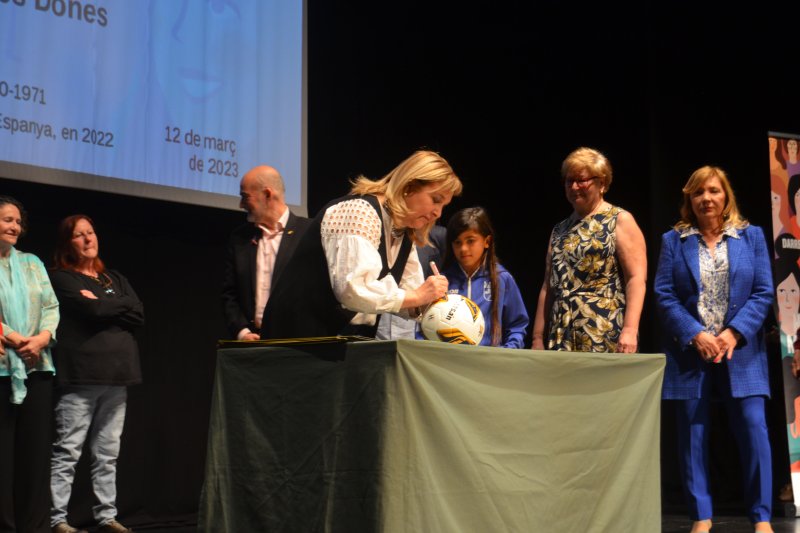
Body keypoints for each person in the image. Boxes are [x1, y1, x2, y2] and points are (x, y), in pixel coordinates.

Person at [653, 166, 774, 533]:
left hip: (742, 351)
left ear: (726, 196)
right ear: (689, 199)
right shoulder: (674, 240)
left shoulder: (751, 236)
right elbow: (664, 294)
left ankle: (762, 518)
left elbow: (763, 292)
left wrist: (734, 333)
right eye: (698, 192)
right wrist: (695, 334)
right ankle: (701, 517)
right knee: (692, 433)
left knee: (753, 429)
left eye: (713, 191)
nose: (706, 198)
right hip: (691, 352)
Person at [261, 149, 462, 339]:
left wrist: (432, 303)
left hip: (336, 343)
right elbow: (353, 291)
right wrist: (418, 296)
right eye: (435, 200)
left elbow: (408, 295)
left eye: (443, 206)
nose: (438, 213)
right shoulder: (359, 212)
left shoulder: (403, 234)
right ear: (408, 186)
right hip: (294, 340)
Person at [48, 215, 144, 533]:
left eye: (90, 232)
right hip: (82, 376)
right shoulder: (62, 278)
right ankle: (57, 519)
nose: (88, 239)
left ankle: (106, 516)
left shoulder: (112, 278)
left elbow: (139, 313)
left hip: (119, 375)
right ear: (68, 243)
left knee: (107, 453)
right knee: (68, 450)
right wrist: (113, 305)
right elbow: (94, 310)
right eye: (79, 235)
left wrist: (105, 303)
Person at [531, 147, 646, 353]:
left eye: (581, 180)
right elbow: (548, 287)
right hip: (561, 334)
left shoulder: (619, 219)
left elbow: (636, 279)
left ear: (602, 183)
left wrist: (630, 330)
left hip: (604, 331)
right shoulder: (559, 230)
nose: (574, 187)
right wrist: (537, 338)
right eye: (569, 181)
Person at [0, 196, 59, 533]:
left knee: (34, 457)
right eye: (7, 219)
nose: (15, 227)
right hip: (3, 368)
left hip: (37, 365)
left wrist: (40, 339)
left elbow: (51, 306)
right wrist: (14, 337)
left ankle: (34, 527)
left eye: (18, 222)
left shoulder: (32, 262)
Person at [221, 165, 310, 339]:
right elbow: (229, 294)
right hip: (252, 345)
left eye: (245, 197)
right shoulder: (240, 238)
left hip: (296, 344)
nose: (241, 204)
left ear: (267, 194)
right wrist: (242, 333)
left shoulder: (308, 233)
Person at [437, 207, 528, 348]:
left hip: (490, 359)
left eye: (470, 241)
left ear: (487, 241)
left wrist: (506, 352)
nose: (463, 248)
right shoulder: (441, 281)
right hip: (450, 358)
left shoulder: (501, 278)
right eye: (457, 242)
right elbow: (426, 326)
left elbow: (517, 325)